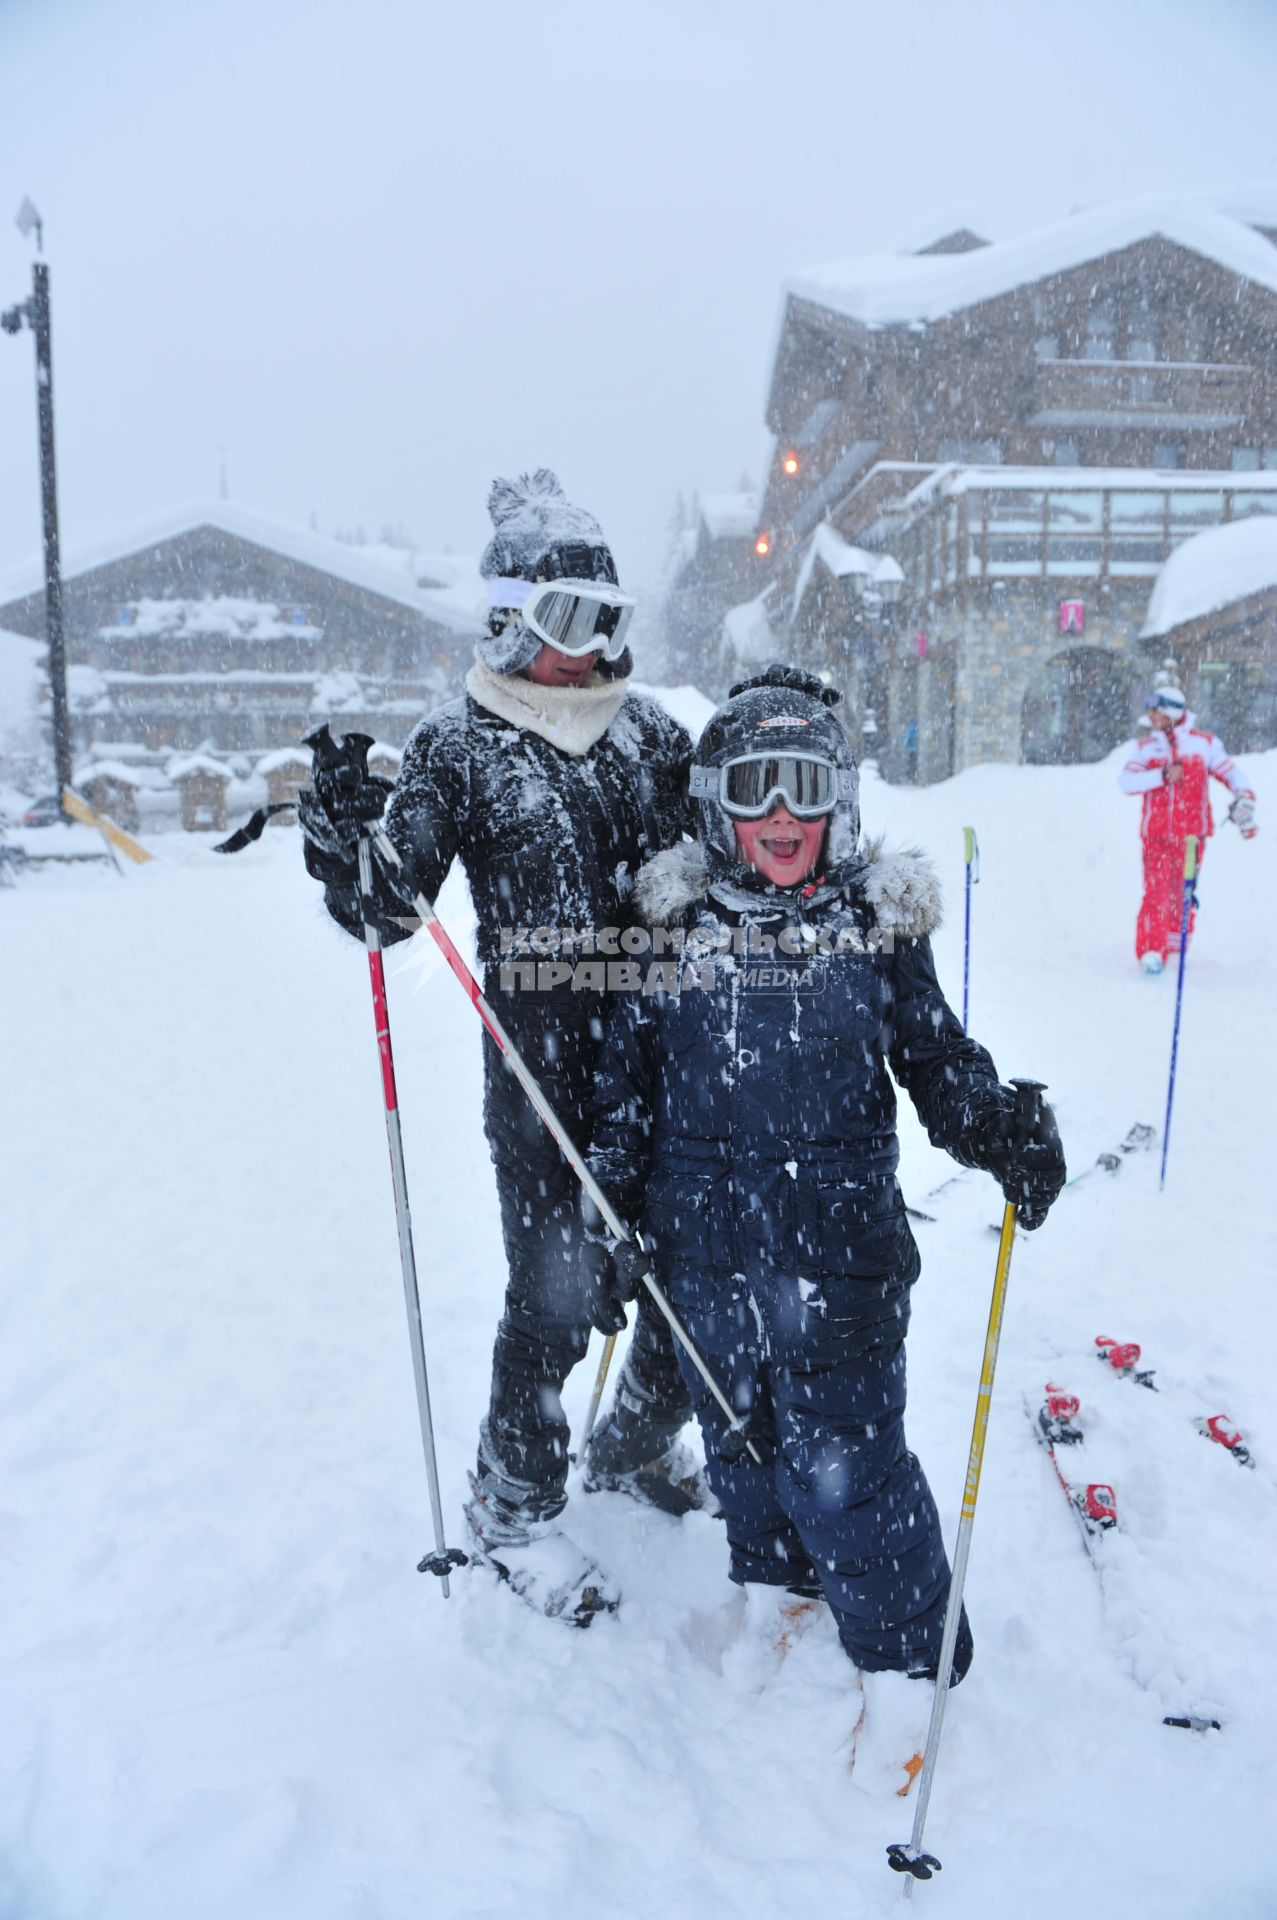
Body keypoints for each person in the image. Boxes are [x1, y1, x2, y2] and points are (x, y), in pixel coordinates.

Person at [583, 664, 1066, 1683]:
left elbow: (933, 1059)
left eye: (803, 786)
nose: (778, 814)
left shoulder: (870, 927)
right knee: (741, 1450)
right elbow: (627, 1091)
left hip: (837, 1258)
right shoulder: (671, 932)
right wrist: (606, 1215)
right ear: (717, 807)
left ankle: (907, 1675)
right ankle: (784, 1597)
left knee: (845, 1469)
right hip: (701, 1257)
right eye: (753, 786)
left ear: (837, 803)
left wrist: (994, 1126)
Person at [298, 470, 700, 1622]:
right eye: (566, 620)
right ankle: (512, 1505)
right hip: (538, 1077)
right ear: (508, 621)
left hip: (661, 1062)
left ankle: (628, 1447)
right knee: (557, 1297)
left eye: (608, 620)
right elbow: (387, 907)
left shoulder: (653, 736)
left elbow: (727, 868)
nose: (590, 650)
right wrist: (344, 844)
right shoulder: (459, 744)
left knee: (687, 1280)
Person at [1118, 677, 1258, 975]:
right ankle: (1151, 951)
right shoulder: (1146, 747)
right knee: (1155, 893)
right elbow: (1126, 782)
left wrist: (1244, 796)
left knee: (1183, 892)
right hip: (1156, 835)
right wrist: (1162, 776)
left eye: (1156, 712)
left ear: (1173, 713)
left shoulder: (1204, 744)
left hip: (1193, 836)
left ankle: (1176, 947)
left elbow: (1231, 774)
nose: (1151, 718)